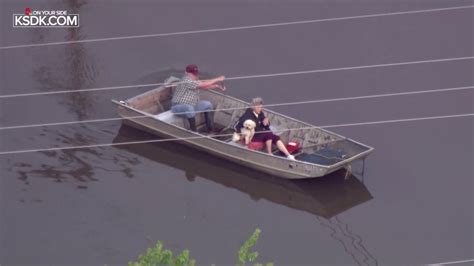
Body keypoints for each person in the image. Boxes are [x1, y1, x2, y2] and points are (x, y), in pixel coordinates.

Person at [171, 64, 225, 132]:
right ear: (186, 73)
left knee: (208, 105)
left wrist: (216, 86)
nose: (195, 75)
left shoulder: (194, 80)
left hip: (192, 105)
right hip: (177, 107)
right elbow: (202, 84)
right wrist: (218, 79)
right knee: (189, 108)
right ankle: (194, 131)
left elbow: (203, 86)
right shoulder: (186, 80)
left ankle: (210, 129)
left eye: (195, 73)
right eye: (193, 74)